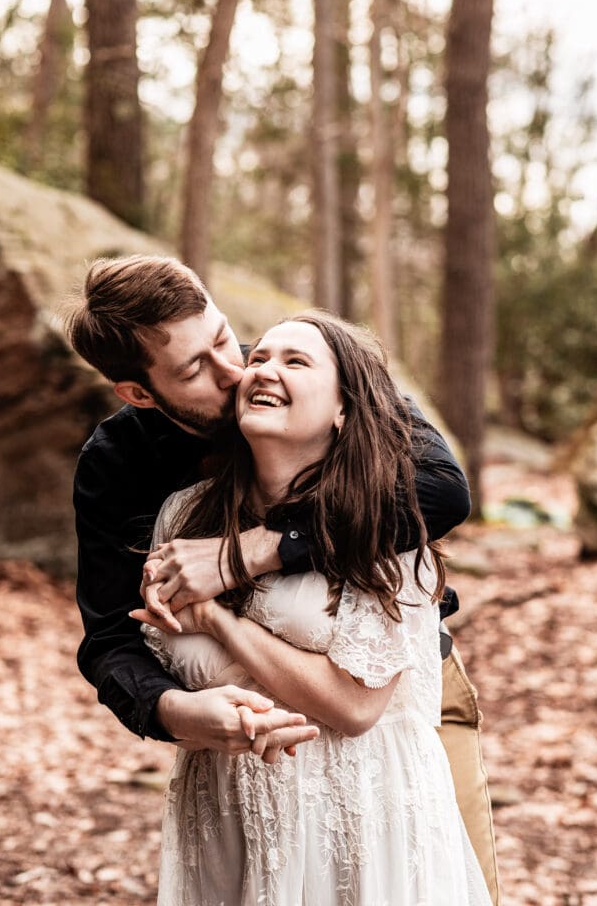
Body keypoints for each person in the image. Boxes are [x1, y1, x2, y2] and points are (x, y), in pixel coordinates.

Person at [67, 255, 499, 900]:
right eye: (196, 368)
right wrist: (173, 710)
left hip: (397, 697)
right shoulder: (120, 467)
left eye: (221, 337)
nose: (235, 370)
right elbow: (109, 636)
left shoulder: (302, 378)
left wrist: (255, 551)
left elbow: (440, 492)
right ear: (139, 392)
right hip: (238, 766)